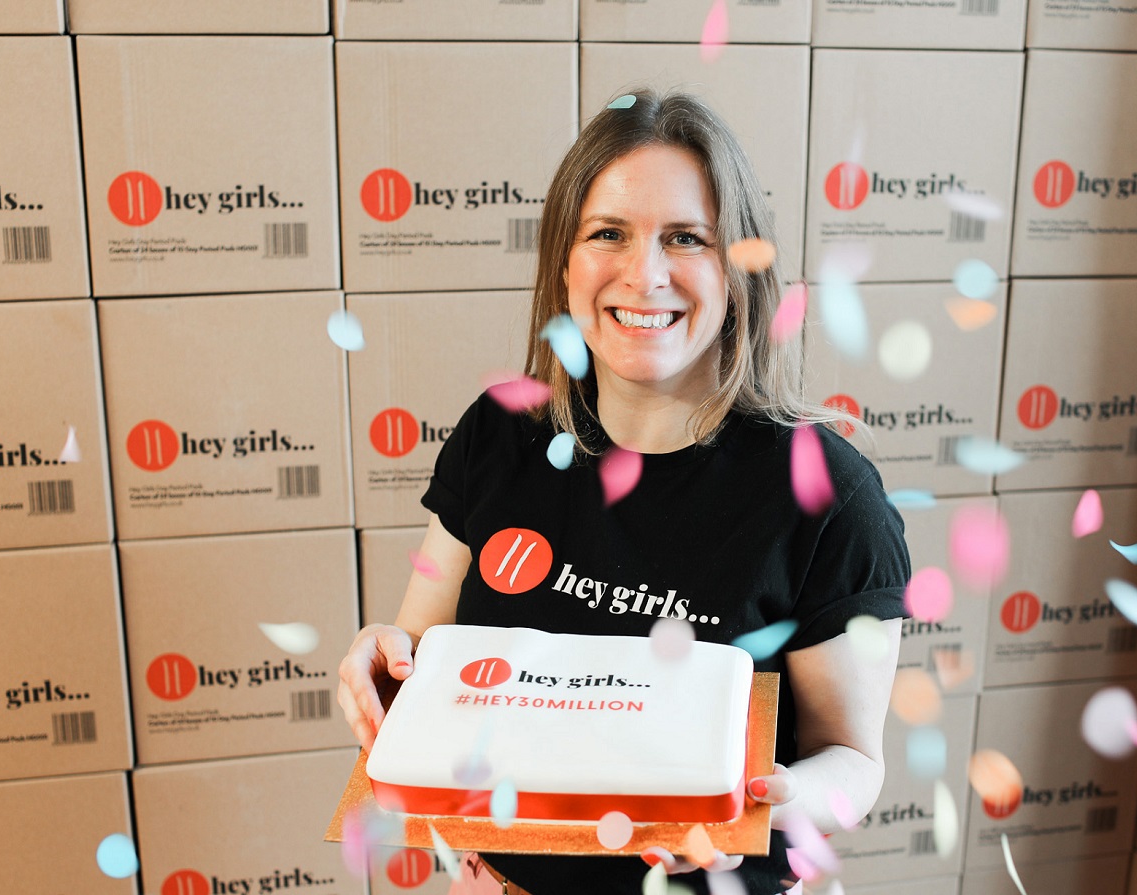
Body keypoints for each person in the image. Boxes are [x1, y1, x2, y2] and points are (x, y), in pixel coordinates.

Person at [338, 88, 909, 895]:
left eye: (687, 238)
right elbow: (422, 661)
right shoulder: (501, 435)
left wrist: (771, 799)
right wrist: (380, 659)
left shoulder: (828, 495)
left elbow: (854, 763)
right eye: (609, 233)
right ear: (564, 263)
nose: (646, 275)